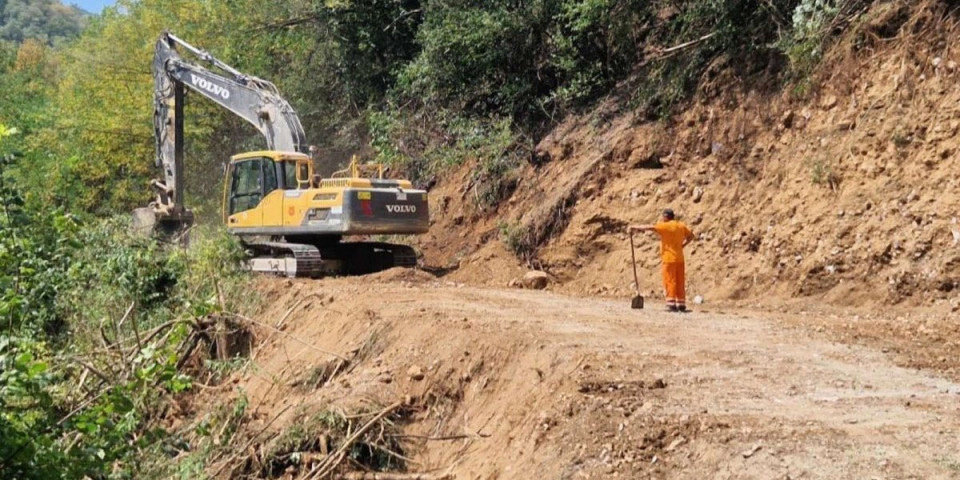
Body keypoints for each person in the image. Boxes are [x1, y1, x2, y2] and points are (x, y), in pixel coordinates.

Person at [629, 209, 694, 312]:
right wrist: (682, 245)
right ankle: (681, 303)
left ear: (666, 217)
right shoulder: (681, 226)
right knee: (679, 281)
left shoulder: (666, 226)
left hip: (668, 259)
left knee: (670, 280)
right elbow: (691, 236)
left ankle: (671, 303)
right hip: (680, 258)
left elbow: (650, 227)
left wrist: (634, 227)